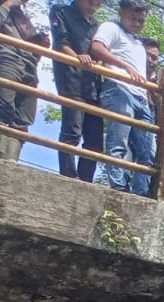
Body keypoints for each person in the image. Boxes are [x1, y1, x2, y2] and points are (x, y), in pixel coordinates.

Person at [91, 0, 154, 196]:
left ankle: (140, 193)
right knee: (118, 141)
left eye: (141, 20)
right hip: (118, 89)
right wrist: (124, 67)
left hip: (140, 97)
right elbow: (97, 48)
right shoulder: (111, 28)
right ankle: (119, 187)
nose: (136, 23)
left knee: (149, 152)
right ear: (121, 13)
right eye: (133, 18)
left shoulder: (138, 43)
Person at [0, 0, 48, 161]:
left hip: (30, 66)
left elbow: (32, 48)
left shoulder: (23, 16)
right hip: (8, 58)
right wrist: (8, 4)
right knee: (3, 106)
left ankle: (11, 162)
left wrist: (39, 44)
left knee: (24, 117)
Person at [49, 0, 101, 180]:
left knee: (95, 139)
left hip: (93, 85)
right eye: (91, 2)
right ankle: (68, 176)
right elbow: (60, 43)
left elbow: (100, 52)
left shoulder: (96, 25)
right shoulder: (61, 11)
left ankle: (86, 179)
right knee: (72, 130)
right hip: (71, 79)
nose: (93, 6)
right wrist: (79, 59)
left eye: (98, 3)